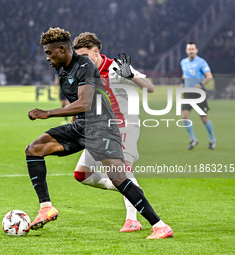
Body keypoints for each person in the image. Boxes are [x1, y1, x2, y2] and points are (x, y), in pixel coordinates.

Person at [26, 27, 173, 239]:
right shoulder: (63, 69)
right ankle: (46, 207)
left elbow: (87, 101)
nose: (47, 58)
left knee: (119, 177)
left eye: (49, 53)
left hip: (109, 127)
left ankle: (158, 225)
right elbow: (77, 101)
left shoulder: (96, 66)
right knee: (35, 149)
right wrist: (72, 125)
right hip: (84, 126)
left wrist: (48, 113)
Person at [72, 32, 155, 232]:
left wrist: (132, 76)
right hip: (101, 129)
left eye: (84, 55)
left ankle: (132, 219)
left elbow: (150, 87)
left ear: (96, 51)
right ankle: (128, 188)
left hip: (125, 125)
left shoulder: (117, 67)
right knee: (81, 174)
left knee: (122, 168)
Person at [180, 42, 216, 150]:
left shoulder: (201, 62)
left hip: (199, 93)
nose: (191, 51)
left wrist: (200, 84)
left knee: (204, 118)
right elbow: (184, 74)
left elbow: (209, 76)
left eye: (193, 49)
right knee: (185, 117)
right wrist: (182, 83)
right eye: (189, 49)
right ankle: (193, 139)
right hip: (187, 93)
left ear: (196, 50)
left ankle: (212, 139)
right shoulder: (183, 62)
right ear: (186, 51)